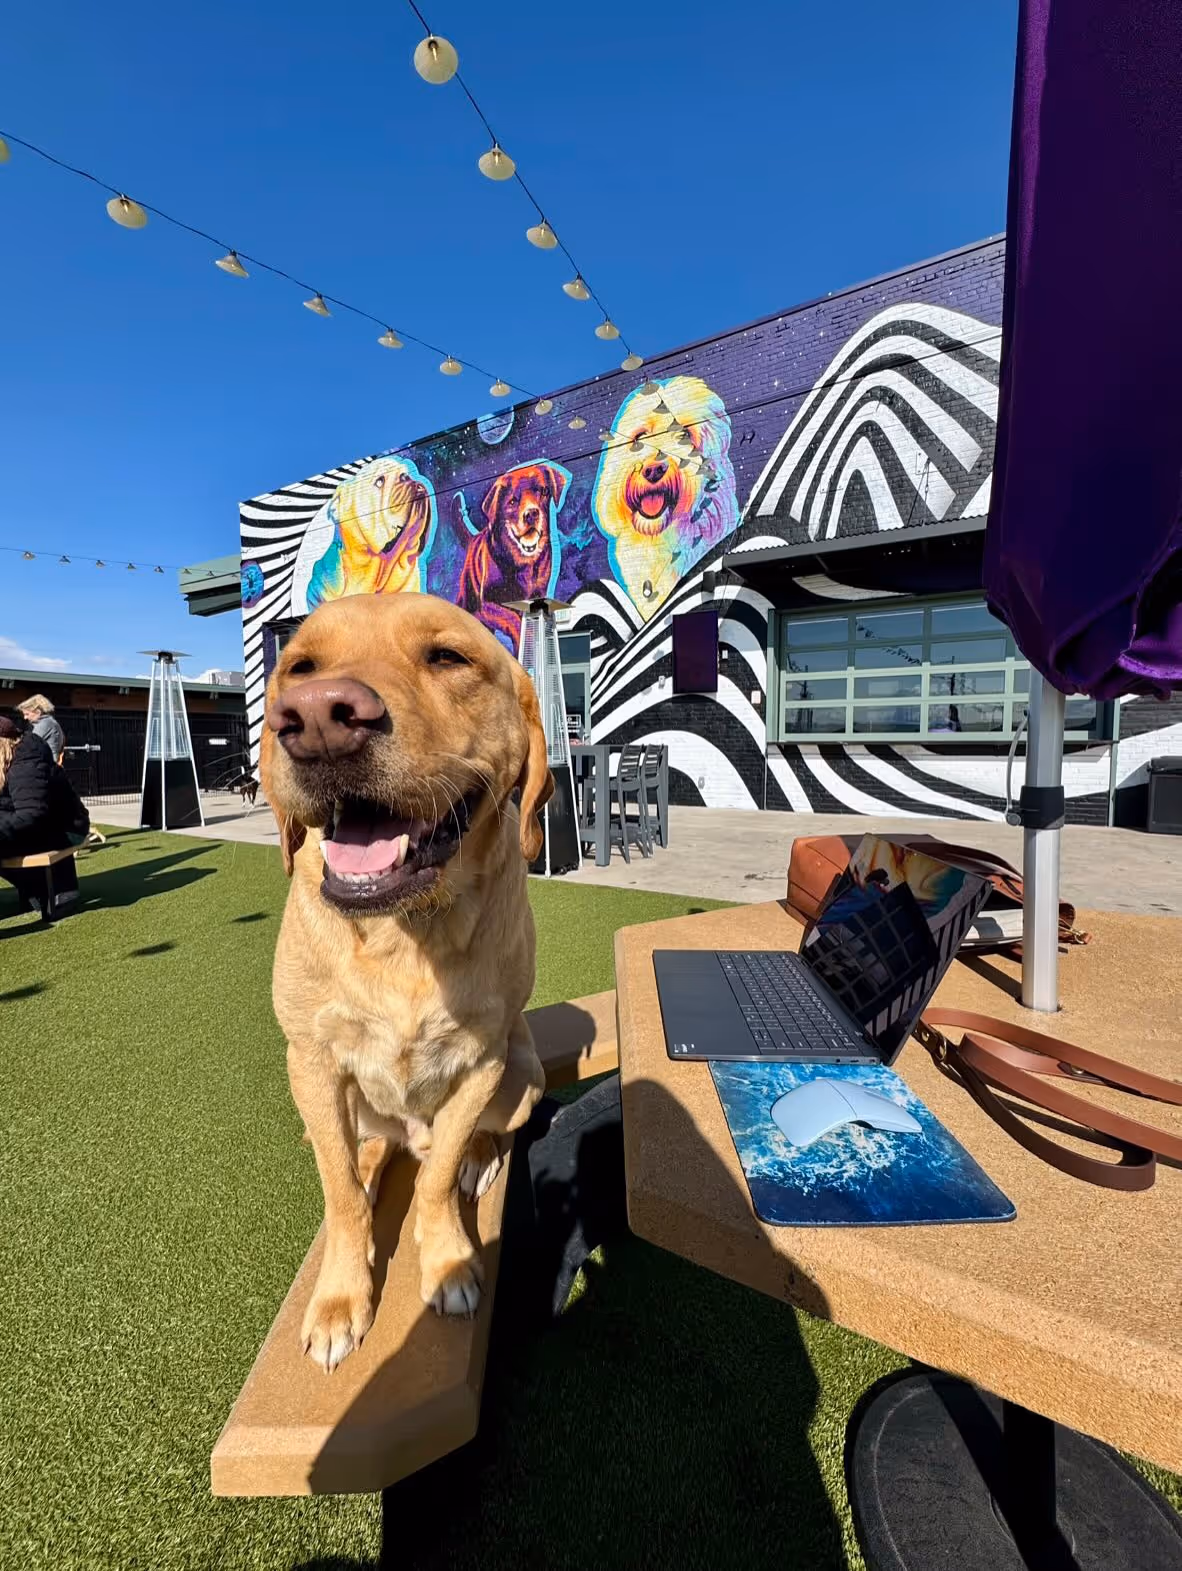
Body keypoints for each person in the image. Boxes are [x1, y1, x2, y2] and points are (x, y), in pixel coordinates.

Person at [0, 710, 90, 918]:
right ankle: (35, 887)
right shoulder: (10, 759)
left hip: (64, 827)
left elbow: (32, 813)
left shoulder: (25, 758)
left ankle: (50, 888)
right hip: (38, 823)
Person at [18, 694, 65, 765]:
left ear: (37, 712)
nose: (25, 718)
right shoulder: (49, 722)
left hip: (46, 765)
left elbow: (29, 745)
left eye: (27, 714)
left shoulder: (45, 723)